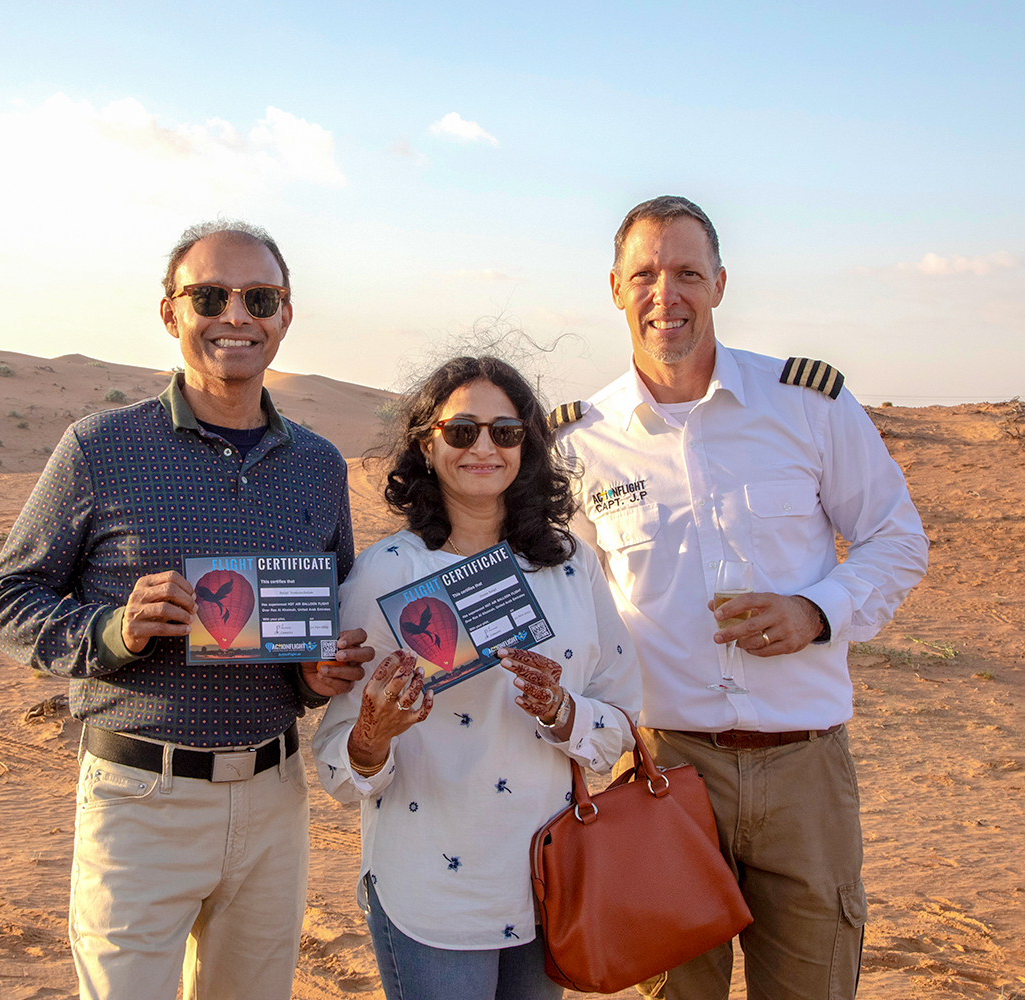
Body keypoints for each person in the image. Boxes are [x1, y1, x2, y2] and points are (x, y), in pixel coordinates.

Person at [0, 220, 374, 1000]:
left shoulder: (319, 466)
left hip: (272, 798)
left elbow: (318, 627)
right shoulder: (101, 447)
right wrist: (111, 630)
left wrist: (320, 675)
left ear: (284, 316)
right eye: (209, 295)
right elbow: (4, 600)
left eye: (260, 298)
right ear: (171, 313)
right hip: (139, 801)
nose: (236, 315)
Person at [552, 196, 929, 1000]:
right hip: (667, 775)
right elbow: (562, 605)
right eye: (646, 275)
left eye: (688, 273)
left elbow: (897, 540)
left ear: (719, 283)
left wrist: (814, 611)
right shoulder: (580, 444)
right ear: (615, 287)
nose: (667, 295)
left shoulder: (807, 404)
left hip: (805, 770)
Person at [312, 356, 643, 1000]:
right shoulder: (387, 575)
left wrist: (563, 710)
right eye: (462, 431)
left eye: (505, 431)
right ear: (428, 446)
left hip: (550, 883)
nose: (484, 447)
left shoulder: (570, 565)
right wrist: (372, 736)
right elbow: (337, 763)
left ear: (530, 444)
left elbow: (623, 711)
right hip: (432, 892)